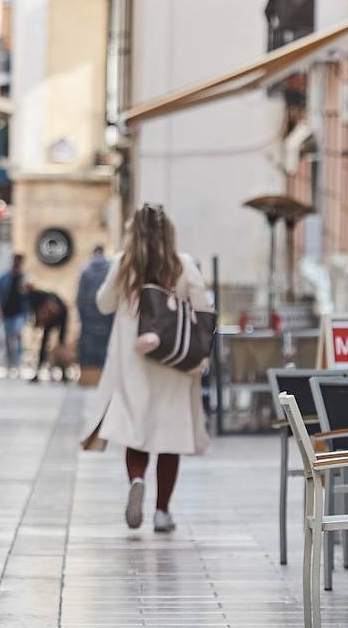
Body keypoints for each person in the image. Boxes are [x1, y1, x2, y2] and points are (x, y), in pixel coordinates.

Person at [80, 204, 212, 534]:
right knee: (170, 439)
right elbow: (204, 305)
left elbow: (103, 304)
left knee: (136, 434)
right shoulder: (182, 264)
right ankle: (162, 512)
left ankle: (137, 479)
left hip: (133, 362)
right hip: (173, 362)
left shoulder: (125, 264)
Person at [75, 246, 115, 385]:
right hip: (106, 318)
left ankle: (87, 378)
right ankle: (103, 379)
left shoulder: (86, 270)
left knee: (88, 349)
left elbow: (80, 297)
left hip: (89, 319)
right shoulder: (110, 269)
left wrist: (81, 316)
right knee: (105, 348)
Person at [26, 285, 69, 382]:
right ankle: (63, 375)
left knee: (57, 344)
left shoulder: (36, 297)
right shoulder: (40, 296)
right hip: (52, 319)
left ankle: (63, 373)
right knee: (55, 344)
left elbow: (41, 313)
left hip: (58, 318)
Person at [0, 254, 29, 377]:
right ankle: (10, 364)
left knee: (18, 335)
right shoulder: (5, 277)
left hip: (20, 312)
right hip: (7, 312)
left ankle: (18, 363)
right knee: (9, 338)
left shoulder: (25, 277)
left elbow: (29, 296)